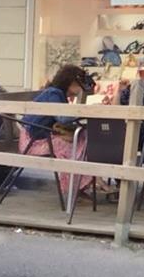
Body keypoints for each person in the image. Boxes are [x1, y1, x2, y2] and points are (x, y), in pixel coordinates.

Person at [20, 64, 105, 197]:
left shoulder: (56, 93)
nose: (82, 86)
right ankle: (75, 189)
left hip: (41, 135)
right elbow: (63, 118)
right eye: (79, 83)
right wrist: (87, 110)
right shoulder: (53, 93)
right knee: (76, 144)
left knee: (82, 138)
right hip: (33, 141)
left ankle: (83, 184)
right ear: (70, 82)